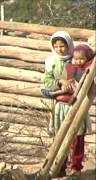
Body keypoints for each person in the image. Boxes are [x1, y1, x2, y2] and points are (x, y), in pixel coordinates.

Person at [43, 31, 93, 178]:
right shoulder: (50, 62)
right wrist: (60, 82)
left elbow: (88, 72)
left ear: (69, 45)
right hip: (60, 106)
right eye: (56, 46)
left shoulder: (77, 58)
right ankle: (60, 167)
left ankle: (76, 168)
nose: (60, 49)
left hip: (77, 104)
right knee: (60, 137)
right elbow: (45, 84)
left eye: (62, 46)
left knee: (77, 138)